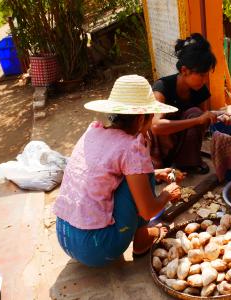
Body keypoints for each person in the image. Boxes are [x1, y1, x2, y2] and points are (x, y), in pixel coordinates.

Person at [53, 75, 183, 267]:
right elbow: (148, 211)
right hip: (97, 248)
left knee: (144, 173)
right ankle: (142, 240)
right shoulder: (131, 147)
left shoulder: (94, 129)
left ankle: (137, 234)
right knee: (144, 173)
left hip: (65, 237)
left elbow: (102, 174)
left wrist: (157, 173)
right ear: (141, 118)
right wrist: (166, 194)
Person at [149, 32, 231, 174]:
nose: (205, 80)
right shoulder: (162, 87)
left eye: (206, 75)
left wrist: (219, 116)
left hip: (179, 142)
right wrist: (198, 120)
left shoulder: (200, 89)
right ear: (184, 70)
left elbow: (204, 120)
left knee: (196, 114)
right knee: (195, 116)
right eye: (201, 75)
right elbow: (156, 126)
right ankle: (158, 166)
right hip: (159, 145)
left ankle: (187, 162)